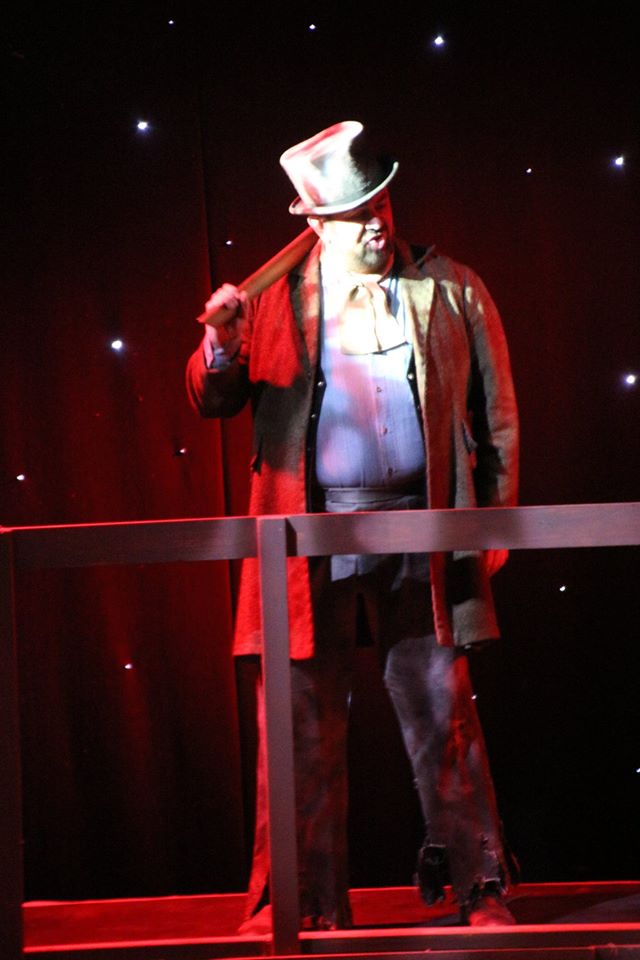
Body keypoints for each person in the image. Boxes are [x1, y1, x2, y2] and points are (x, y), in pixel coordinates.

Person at [186, 120, 520, 930]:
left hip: (424, 535)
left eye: (380, 205)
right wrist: (220, 344)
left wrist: (495, 526)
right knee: (298, 724)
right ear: (315, 221)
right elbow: (212, 398)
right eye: (354, 213)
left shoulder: (452, 287)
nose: (375, 223)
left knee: (445, 713)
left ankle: (480, 889)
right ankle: (297, 906)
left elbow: (498, 418)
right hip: (306, 545)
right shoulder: (270, 301)